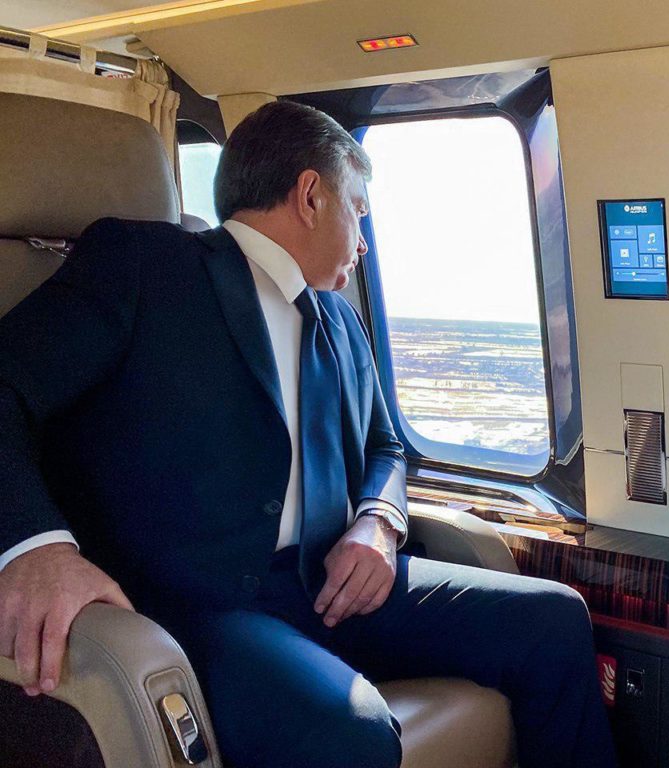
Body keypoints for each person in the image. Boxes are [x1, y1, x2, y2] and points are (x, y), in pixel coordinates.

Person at [0, 101, 616, 768]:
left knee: (554, 620)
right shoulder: (146, 265)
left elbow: (385, 446)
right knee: (349, 730)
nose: (363, 242)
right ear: (311, 195)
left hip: (336, 585)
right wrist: (38, 550)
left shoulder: (342, 321)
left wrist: (378, 522)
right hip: (202, 607)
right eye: (359, 211)